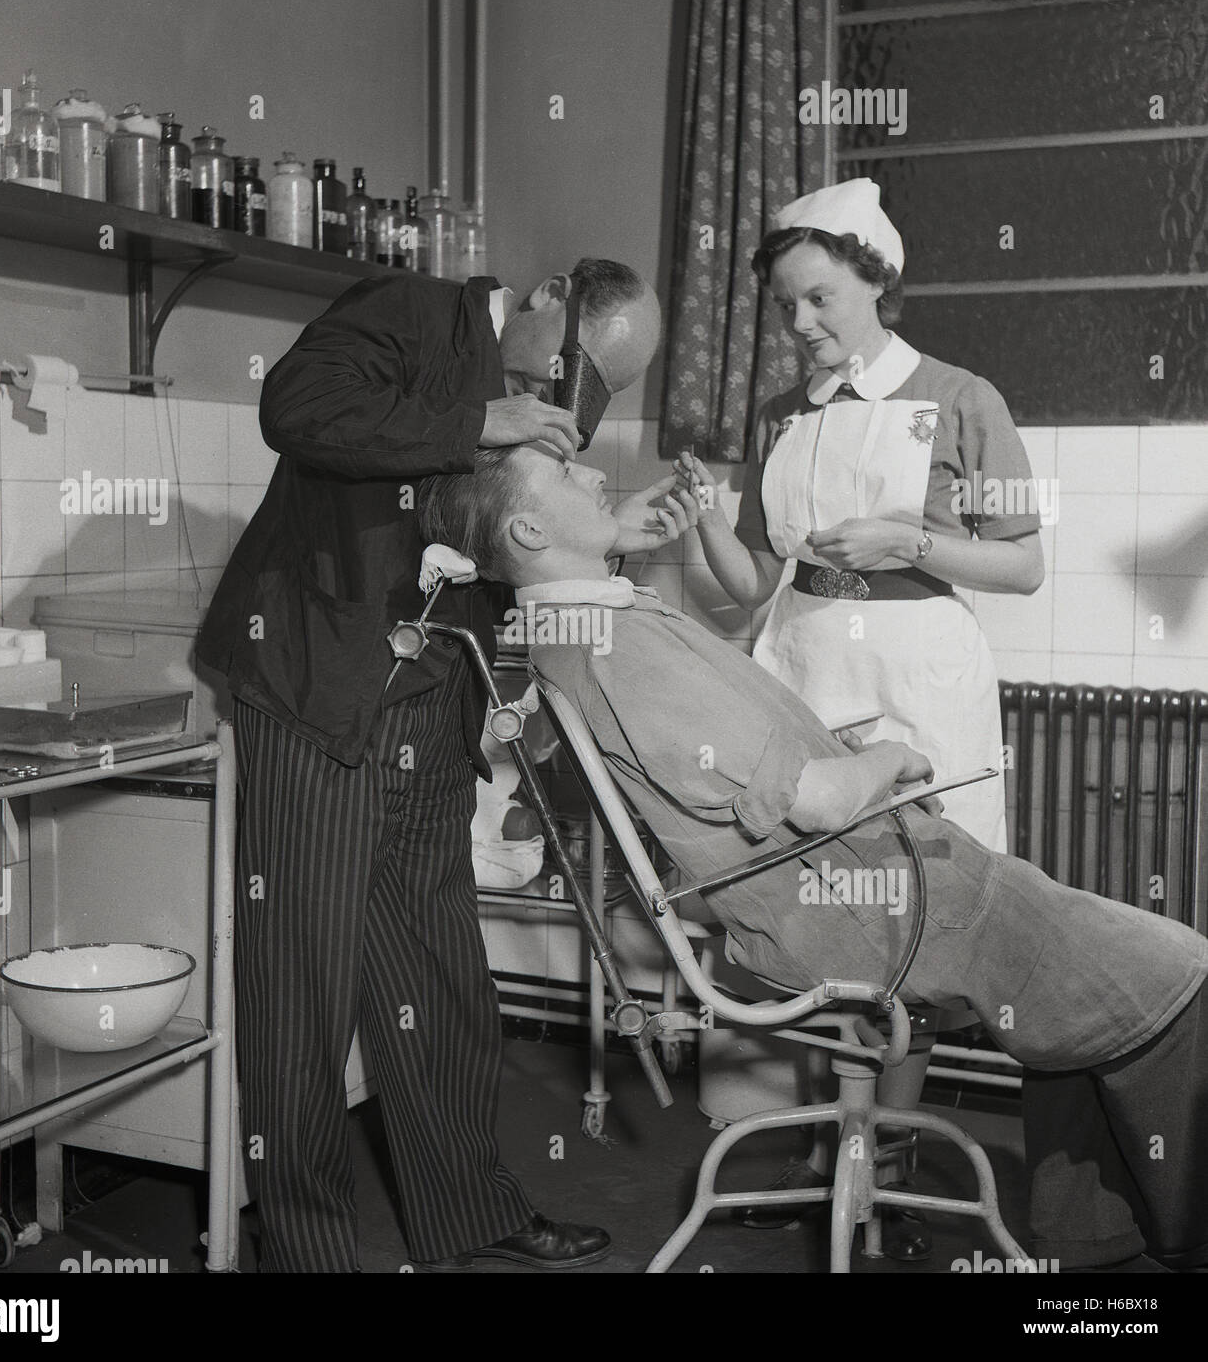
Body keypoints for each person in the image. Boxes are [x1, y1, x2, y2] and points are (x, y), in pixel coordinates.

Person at [417, 443, 1208, 1273]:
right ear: (529, 527)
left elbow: (746, 770)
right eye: (564, 474)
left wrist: (848, 755)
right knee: (1182, 976)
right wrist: (888, 760)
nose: (590, 474)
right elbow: (817, 800)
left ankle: (1095, 1249)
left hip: (847, 887)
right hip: (871, 903)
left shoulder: (577, 627)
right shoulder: (618, 643)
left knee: (1079, 1006)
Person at [196, 258, 691, 1273]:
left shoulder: (524, 396)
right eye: (575, 371)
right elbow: (296, 407)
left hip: (431, 695)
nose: (570, 403)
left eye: (599, 392)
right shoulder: (412, 310)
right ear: (548, 298)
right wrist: (481, 422)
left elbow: (495, 534)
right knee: (305, 997)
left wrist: (610, 535)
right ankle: (310, 1253)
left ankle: (468, 1209)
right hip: (318, 693)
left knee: (443, 979)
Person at [680, 177, 1044, 855]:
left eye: (821, 299)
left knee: (936, 868)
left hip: (919, 675)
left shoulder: (964, 399)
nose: (800, 323)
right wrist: (702, 512)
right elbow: (757, 581)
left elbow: (1025, 566)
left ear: (877, 281)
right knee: (808, 868)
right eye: (787, 304)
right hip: (806, 666)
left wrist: (909, 544)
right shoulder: (779, 415)